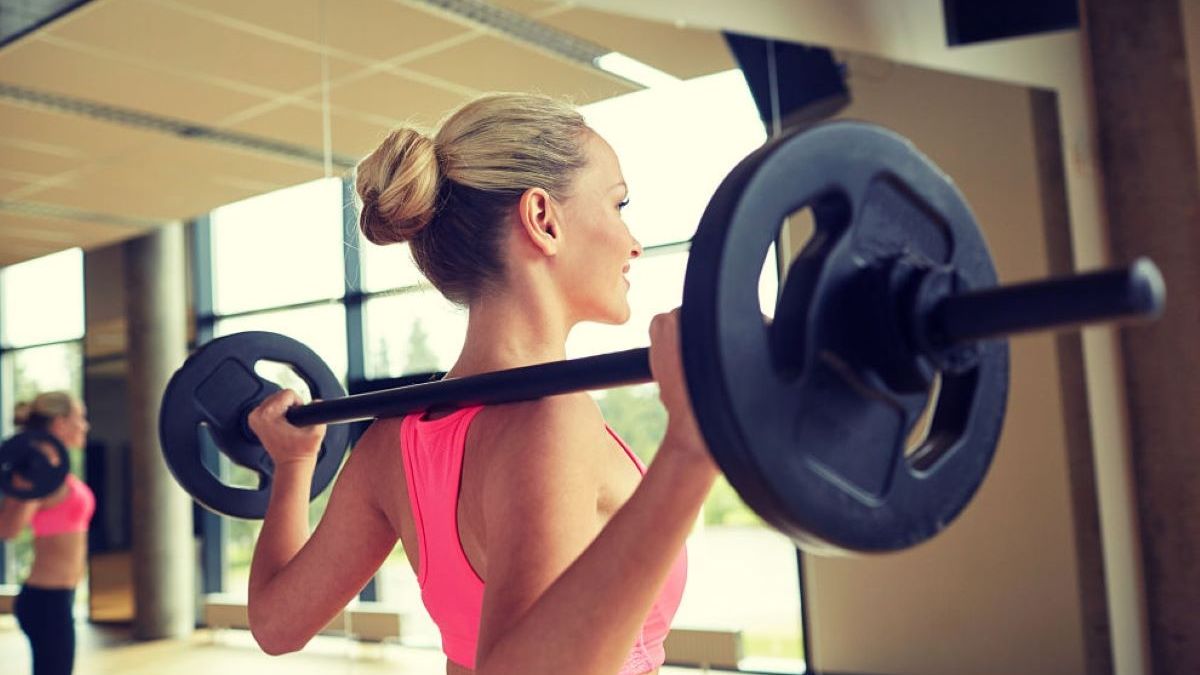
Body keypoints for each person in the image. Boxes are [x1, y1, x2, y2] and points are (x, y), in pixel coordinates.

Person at [246, 93, 718, 674]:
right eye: (619, 204)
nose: (634, 242)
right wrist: (692, 451)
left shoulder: (394, 441)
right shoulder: (551, 419)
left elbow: (275, 624)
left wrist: (293, 467)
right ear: (543, 220)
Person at [0, 391, 95, 675]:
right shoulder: (38, 469)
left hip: (59, 597)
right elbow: (9, 528)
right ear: (59, 423)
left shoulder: (54, 469)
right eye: (80, 418)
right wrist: (32, 482)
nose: (85, 426)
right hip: (46, 601)